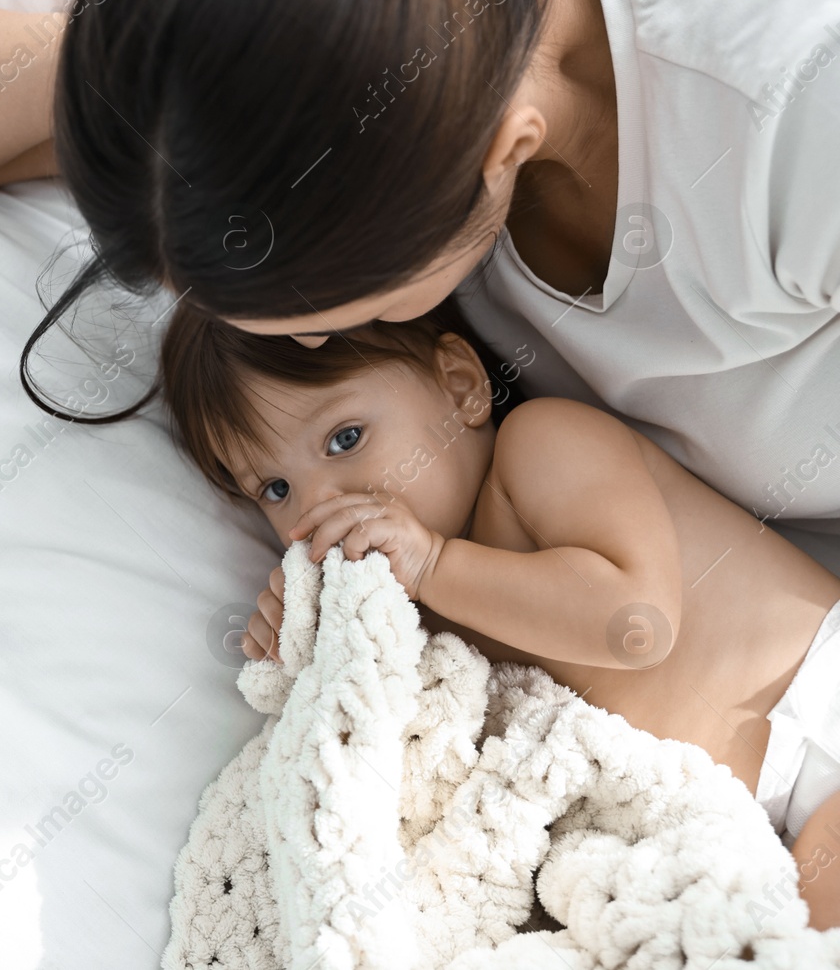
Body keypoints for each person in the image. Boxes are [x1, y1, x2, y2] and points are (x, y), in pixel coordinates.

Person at [0, 0, 840, 553]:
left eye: (315, 315)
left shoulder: (794, 87)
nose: (305, 344)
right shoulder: (390, 12)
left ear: (498, 153)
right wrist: (197, 76)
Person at [155, 294, 840, 927]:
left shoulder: (539, 448)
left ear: (460, 386)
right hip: (733, 834)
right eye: (274, 488)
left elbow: (638, 624)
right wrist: (304, 648)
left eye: (345, 438)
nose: (317, 507)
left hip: (817, 709)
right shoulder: (418, 614)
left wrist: (432, 565)